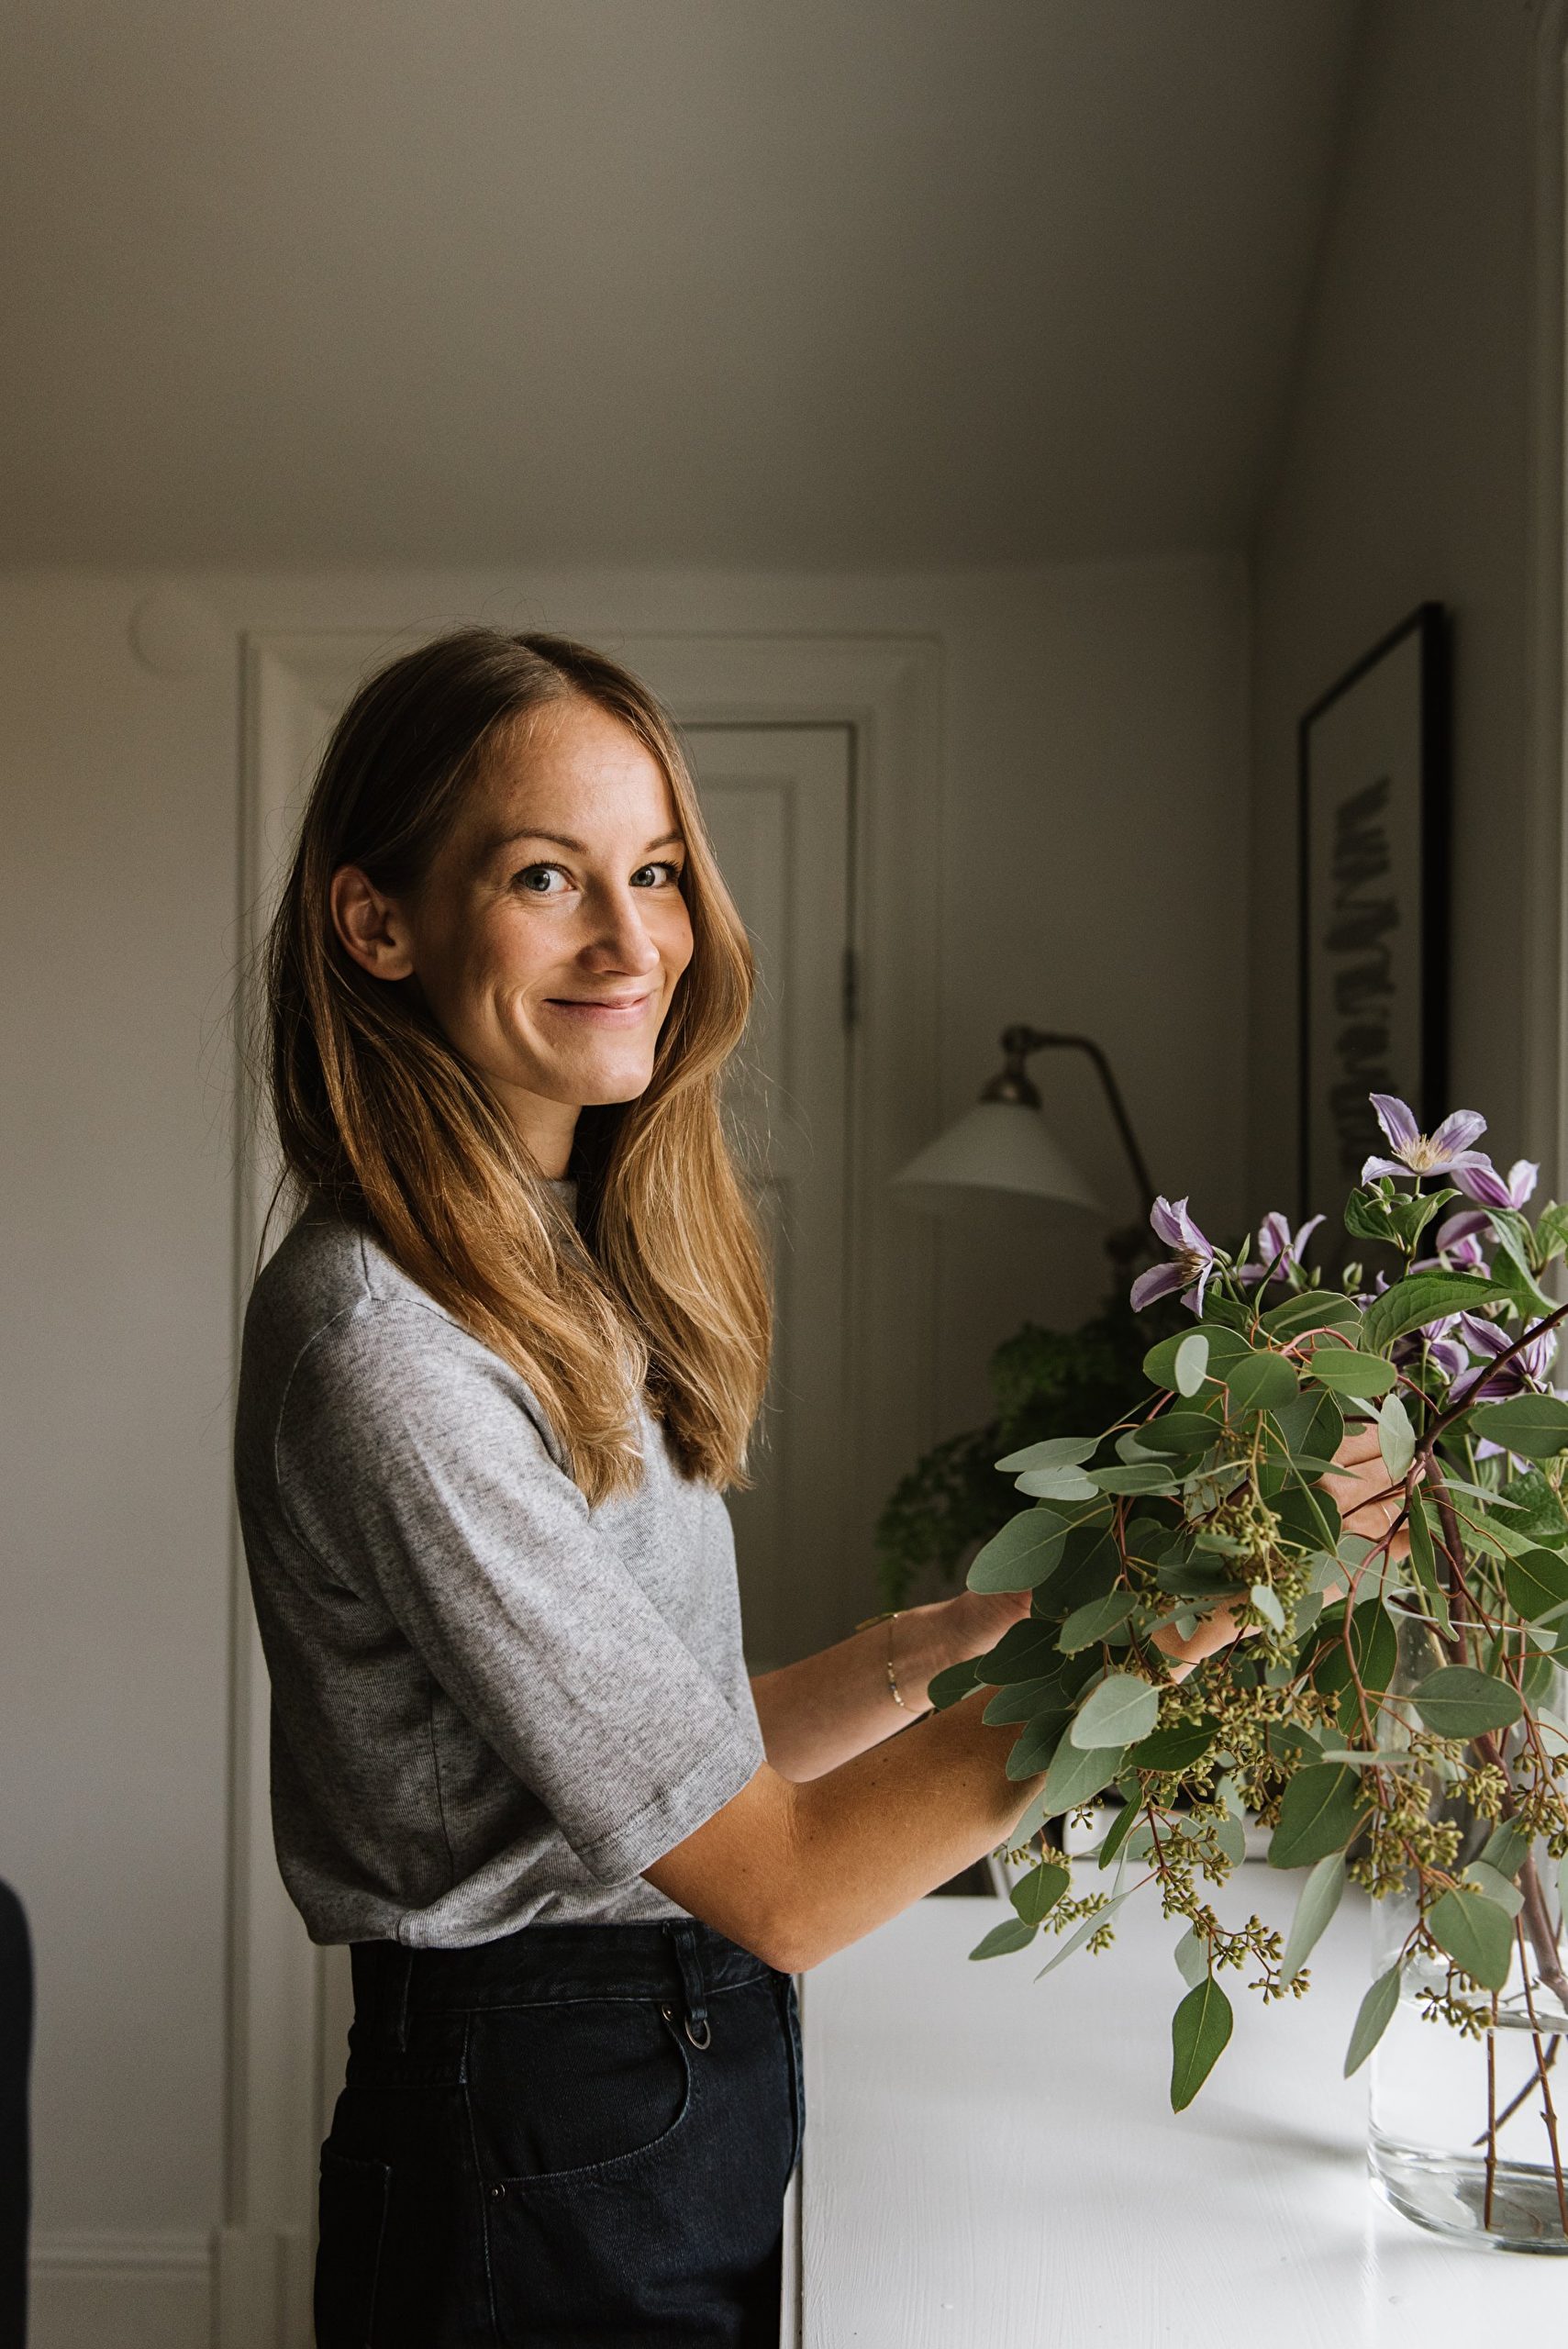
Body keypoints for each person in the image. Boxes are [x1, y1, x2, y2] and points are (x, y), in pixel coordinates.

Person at [233, 628, 1398, 2348]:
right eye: (547, 877)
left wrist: (1002, 1622)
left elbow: (677, 1767)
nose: (634, 941)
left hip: (641, 2083)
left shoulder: (543, 1262)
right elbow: (775, 1880)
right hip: (535, 2121)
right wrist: (1179, 1618)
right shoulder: (385, 1342)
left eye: (655, 873)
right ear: (377, 922)